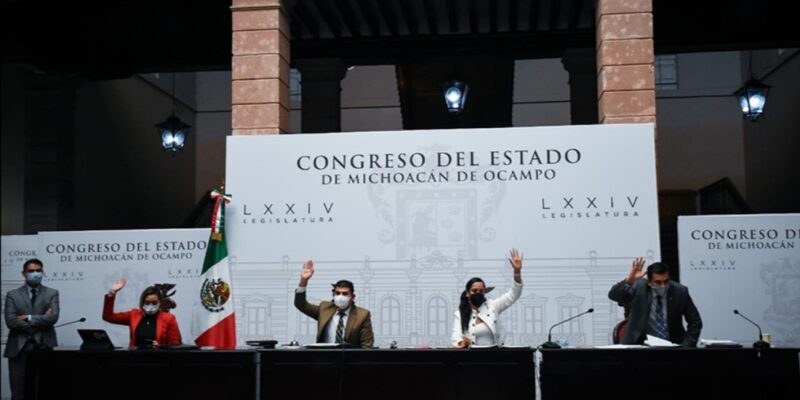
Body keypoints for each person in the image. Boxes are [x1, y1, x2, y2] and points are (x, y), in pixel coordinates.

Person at [608, 258, 702, 347]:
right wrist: (629, 280)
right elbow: (614, 295)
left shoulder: (680, 291)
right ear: (649, 282)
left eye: (666, 281)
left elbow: (695, 322)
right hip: (640, 344)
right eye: (657, 282)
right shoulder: (639, 287)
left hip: (673, 344)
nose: (663, 286)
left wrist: (687, 346)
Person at [3, 258, 60, 400]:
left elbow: (53, 318)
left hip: (44, 345)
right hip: (18, 347)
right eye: (31, 271)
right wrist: (41, 320)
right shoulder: (12, 295)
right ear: (24, 273)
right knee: (18, 391)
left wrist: (27, 317)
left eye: (38, 270)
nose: (35, 274)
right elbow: (11, 321)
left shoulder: (52, 293)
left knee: (45, 389)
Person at [452, 248, 523, 348]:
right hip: (471, 356)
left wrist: (517, 272)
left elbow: (513, 294)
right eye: (474, 291)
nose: (478, 293)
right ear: (467, 293)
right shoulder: (459, 314)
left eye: (481, 291)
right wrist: (462, 343)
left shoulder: (493, 306)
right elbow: (456, 338)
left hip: (495, 354)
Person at [293, 260, 374, 348]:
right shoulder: (324, 309)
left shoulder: (362, 315)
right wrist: (303, 281)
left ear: (353, 297)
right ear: (333, 295)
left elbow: (367, 346)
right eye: (337, 293)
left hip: (350, 356)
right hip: (325, 355)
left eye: (345, 294)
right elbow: (301, 304)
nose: (340, 296)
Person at [102, 278, 182, 349]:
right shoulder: (134, 315)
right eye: (147, 303)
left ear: (160, 302)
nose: (150, 305)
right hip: (135, 358)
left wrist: (161, 346)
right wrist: (112, 293)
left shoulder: (169, 318)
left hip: (159, 359)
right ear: (142, 302)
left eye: (154, 303)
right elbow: (108, 316)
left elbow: (175, 345)